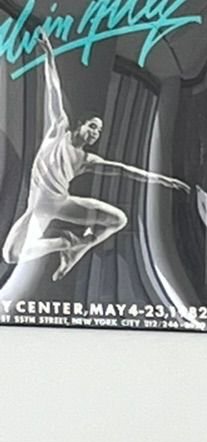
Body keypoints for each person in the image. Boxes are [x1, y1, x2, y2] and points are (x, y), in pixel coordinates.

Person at [2, 31, 191, 282]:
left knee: (118, 219)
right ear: (80, 125)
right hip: (39, 208)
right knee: (10, 255)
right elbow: (53, 91)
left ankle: (80, 246)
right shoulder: (58, 130)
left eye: (99, 131)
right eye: (92, 126)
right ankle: (66, 242)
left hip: (62, 203)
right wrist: (48, 53)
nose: (95, 133)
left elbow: (125, 170)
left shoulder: (87, 160)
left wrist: (162, 180)